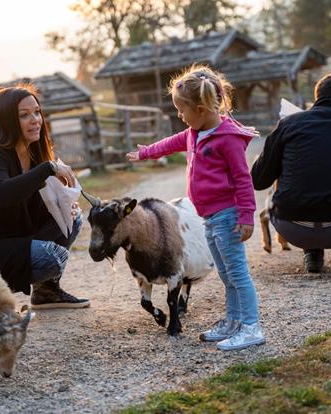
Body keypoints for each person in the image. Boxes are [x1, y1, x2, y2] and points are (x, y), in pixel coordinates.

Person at [127, 64, 265, 351]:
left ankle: (251, 326)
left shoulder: (226, 138)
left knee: (237, 273)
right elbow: (169, 143)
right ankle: (233, 321)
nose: (180, 115)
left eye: (182, 110)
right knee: (227, 275)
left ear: (201, 108)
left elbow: (242, 178)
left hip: (228, 217)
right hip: (210, 218)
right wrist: (144, 153)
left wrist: (246, 216)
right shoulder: (194, 132)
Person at [0, 83, 90, 309]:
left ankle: (46, 293)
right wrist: (48, 169)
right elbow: (1, 195)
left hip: (6, 236)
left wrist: (64, 208)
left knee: (73, 219)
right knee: (53, 258)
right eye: (24, 115)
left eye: (37, 112)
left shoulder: (32, 154)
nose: (35, 119)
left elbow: (29, 208)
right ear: (8, 121)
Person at [251, 73, 331, 275]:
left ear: (317, 98)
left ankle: (312, 252)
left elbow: (258, 181)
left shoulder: (290, 124)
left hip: (293, 227)